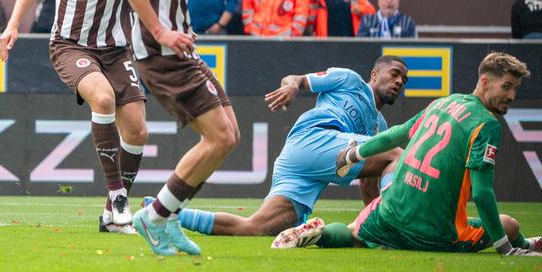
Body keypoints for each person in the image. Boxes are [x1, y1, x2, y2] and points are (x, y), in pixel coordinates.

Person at [271, 52, 542, 257]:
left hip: (390, 212)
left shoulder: (442, 103)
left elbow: (397, 134)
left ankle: (318, 234)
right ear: (485, 82)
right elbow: (482, 196)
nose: (511, 95)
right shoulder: (487, 124)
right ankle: (527, 245)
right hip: (435, 231)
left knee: (352, 233)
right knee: (507, 224)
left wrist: (355, 154)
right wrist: (506, 250)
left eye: (515, 89)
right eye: (506, 86)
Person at [0, 0, 147, 235]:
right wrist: (13, 25)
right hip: (69, 42)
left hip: (116, 48)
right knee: (103, 99)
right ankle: (120, 199)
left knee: (139, 131)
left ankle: (112, 216)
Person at [119, 0, 240, 256]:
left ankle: (165, 218)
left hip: (178, 50)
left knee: (230, 134)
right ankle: (155, 216)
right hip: (162, 53)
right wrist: (162, 32)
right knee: (220, 137)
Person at [171, 56, 408, 237]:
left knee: (254, 227)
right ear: (375, 75)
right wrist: (292, 86)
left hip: (303, 161)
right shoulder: (349, 80)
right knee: (396, 153)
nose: (399, 81)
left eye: (403, 80)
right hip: (313, 137)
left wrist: (374, 222)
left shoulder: (380, 126)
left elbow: (368, 185)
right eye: (394, 74)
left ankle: (167, 214)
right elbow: (297, 79)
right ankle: (394, 223)